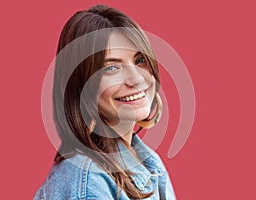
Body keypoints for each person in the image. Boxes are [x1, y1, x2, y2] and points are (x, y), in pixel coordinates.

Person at [34, 4, 176, 200]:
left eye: (140, 60)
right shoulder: (89, 179)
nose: (136, 79)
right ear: (81, 86)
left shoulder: (147, 161)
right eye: (111, 68)